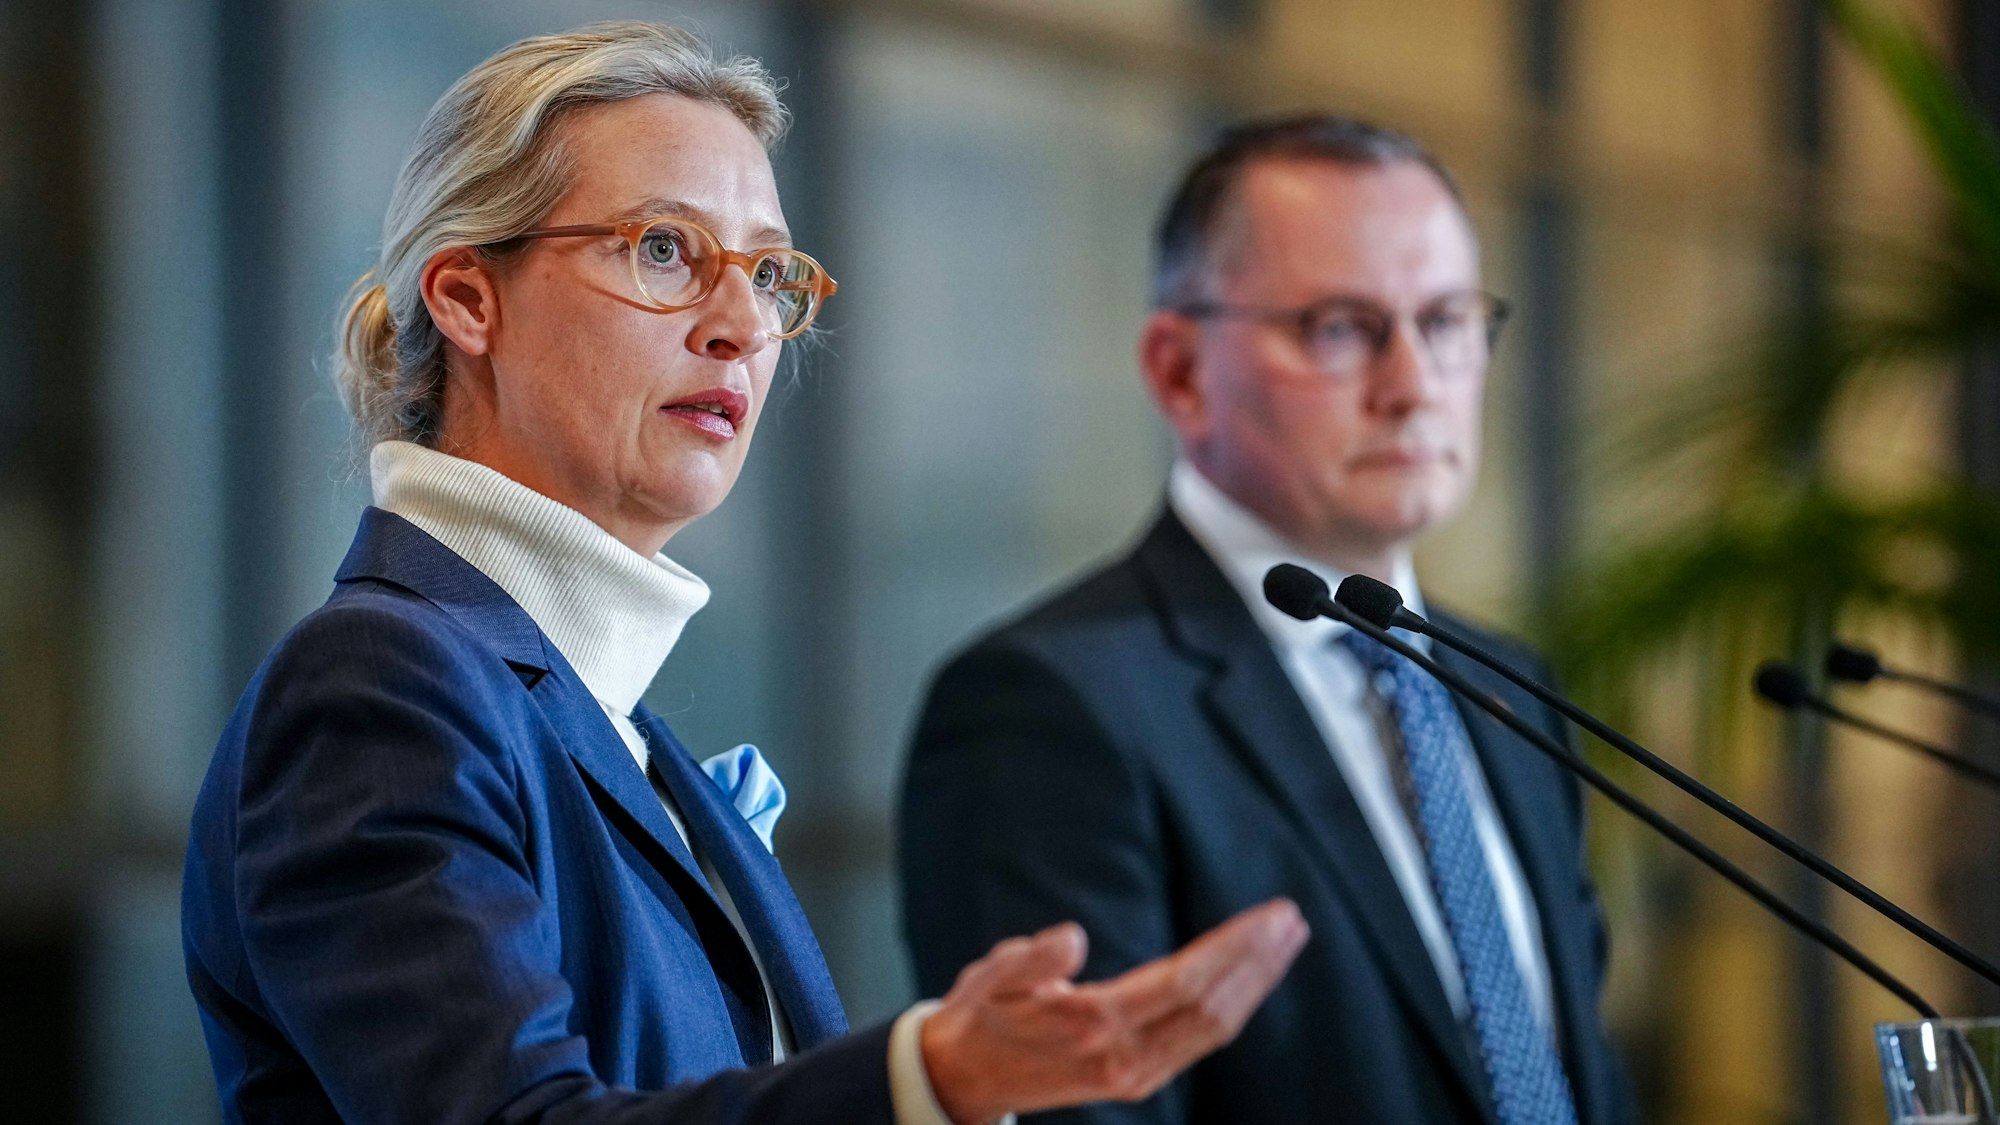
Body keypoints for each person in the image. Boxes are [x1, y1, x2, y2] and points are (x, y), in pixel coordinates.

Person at [179, 23, 1309, 1125]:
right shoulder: (379, 686)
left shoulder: (617, 726)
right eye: (661, 249)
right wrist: (927, 1082)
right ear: (470, 299)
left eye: (767, 273)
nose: (739, 327)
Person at [900, 116, 1637, 1125]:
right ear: (1178, 370)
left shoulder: (1503, 685)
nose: (1412, 386)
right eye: (1338, 327)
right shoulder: (1048, 707)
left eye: (1446, 321)